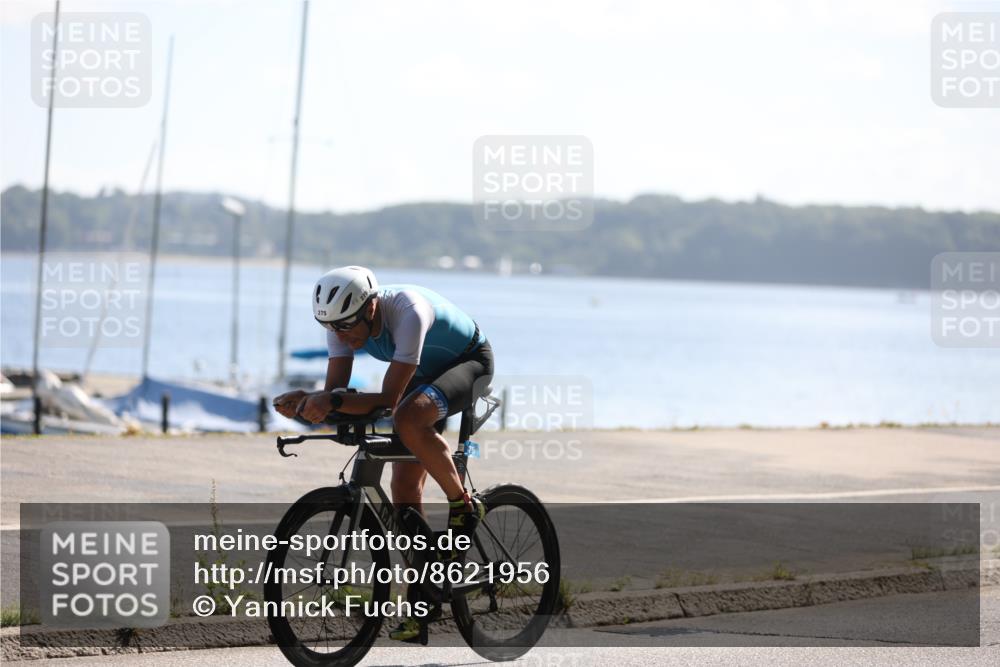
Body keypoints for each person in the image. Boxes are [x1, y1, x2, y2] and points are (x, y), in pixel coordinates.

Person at [272, 266, 493, 641]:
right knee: (404, 491)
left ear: (370, 308)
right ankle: (421, 603)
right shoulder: (340, 324)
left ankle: (464, 504)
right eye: (331, 328)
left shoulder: (408, 312)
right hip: (423, 377)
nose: (339, 335)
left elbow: (390, 401)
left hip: (468, 363)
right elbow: (336, 398)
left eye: (345, 327)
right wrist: (307, 403)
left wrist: (329, 399)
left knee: (408, 417)